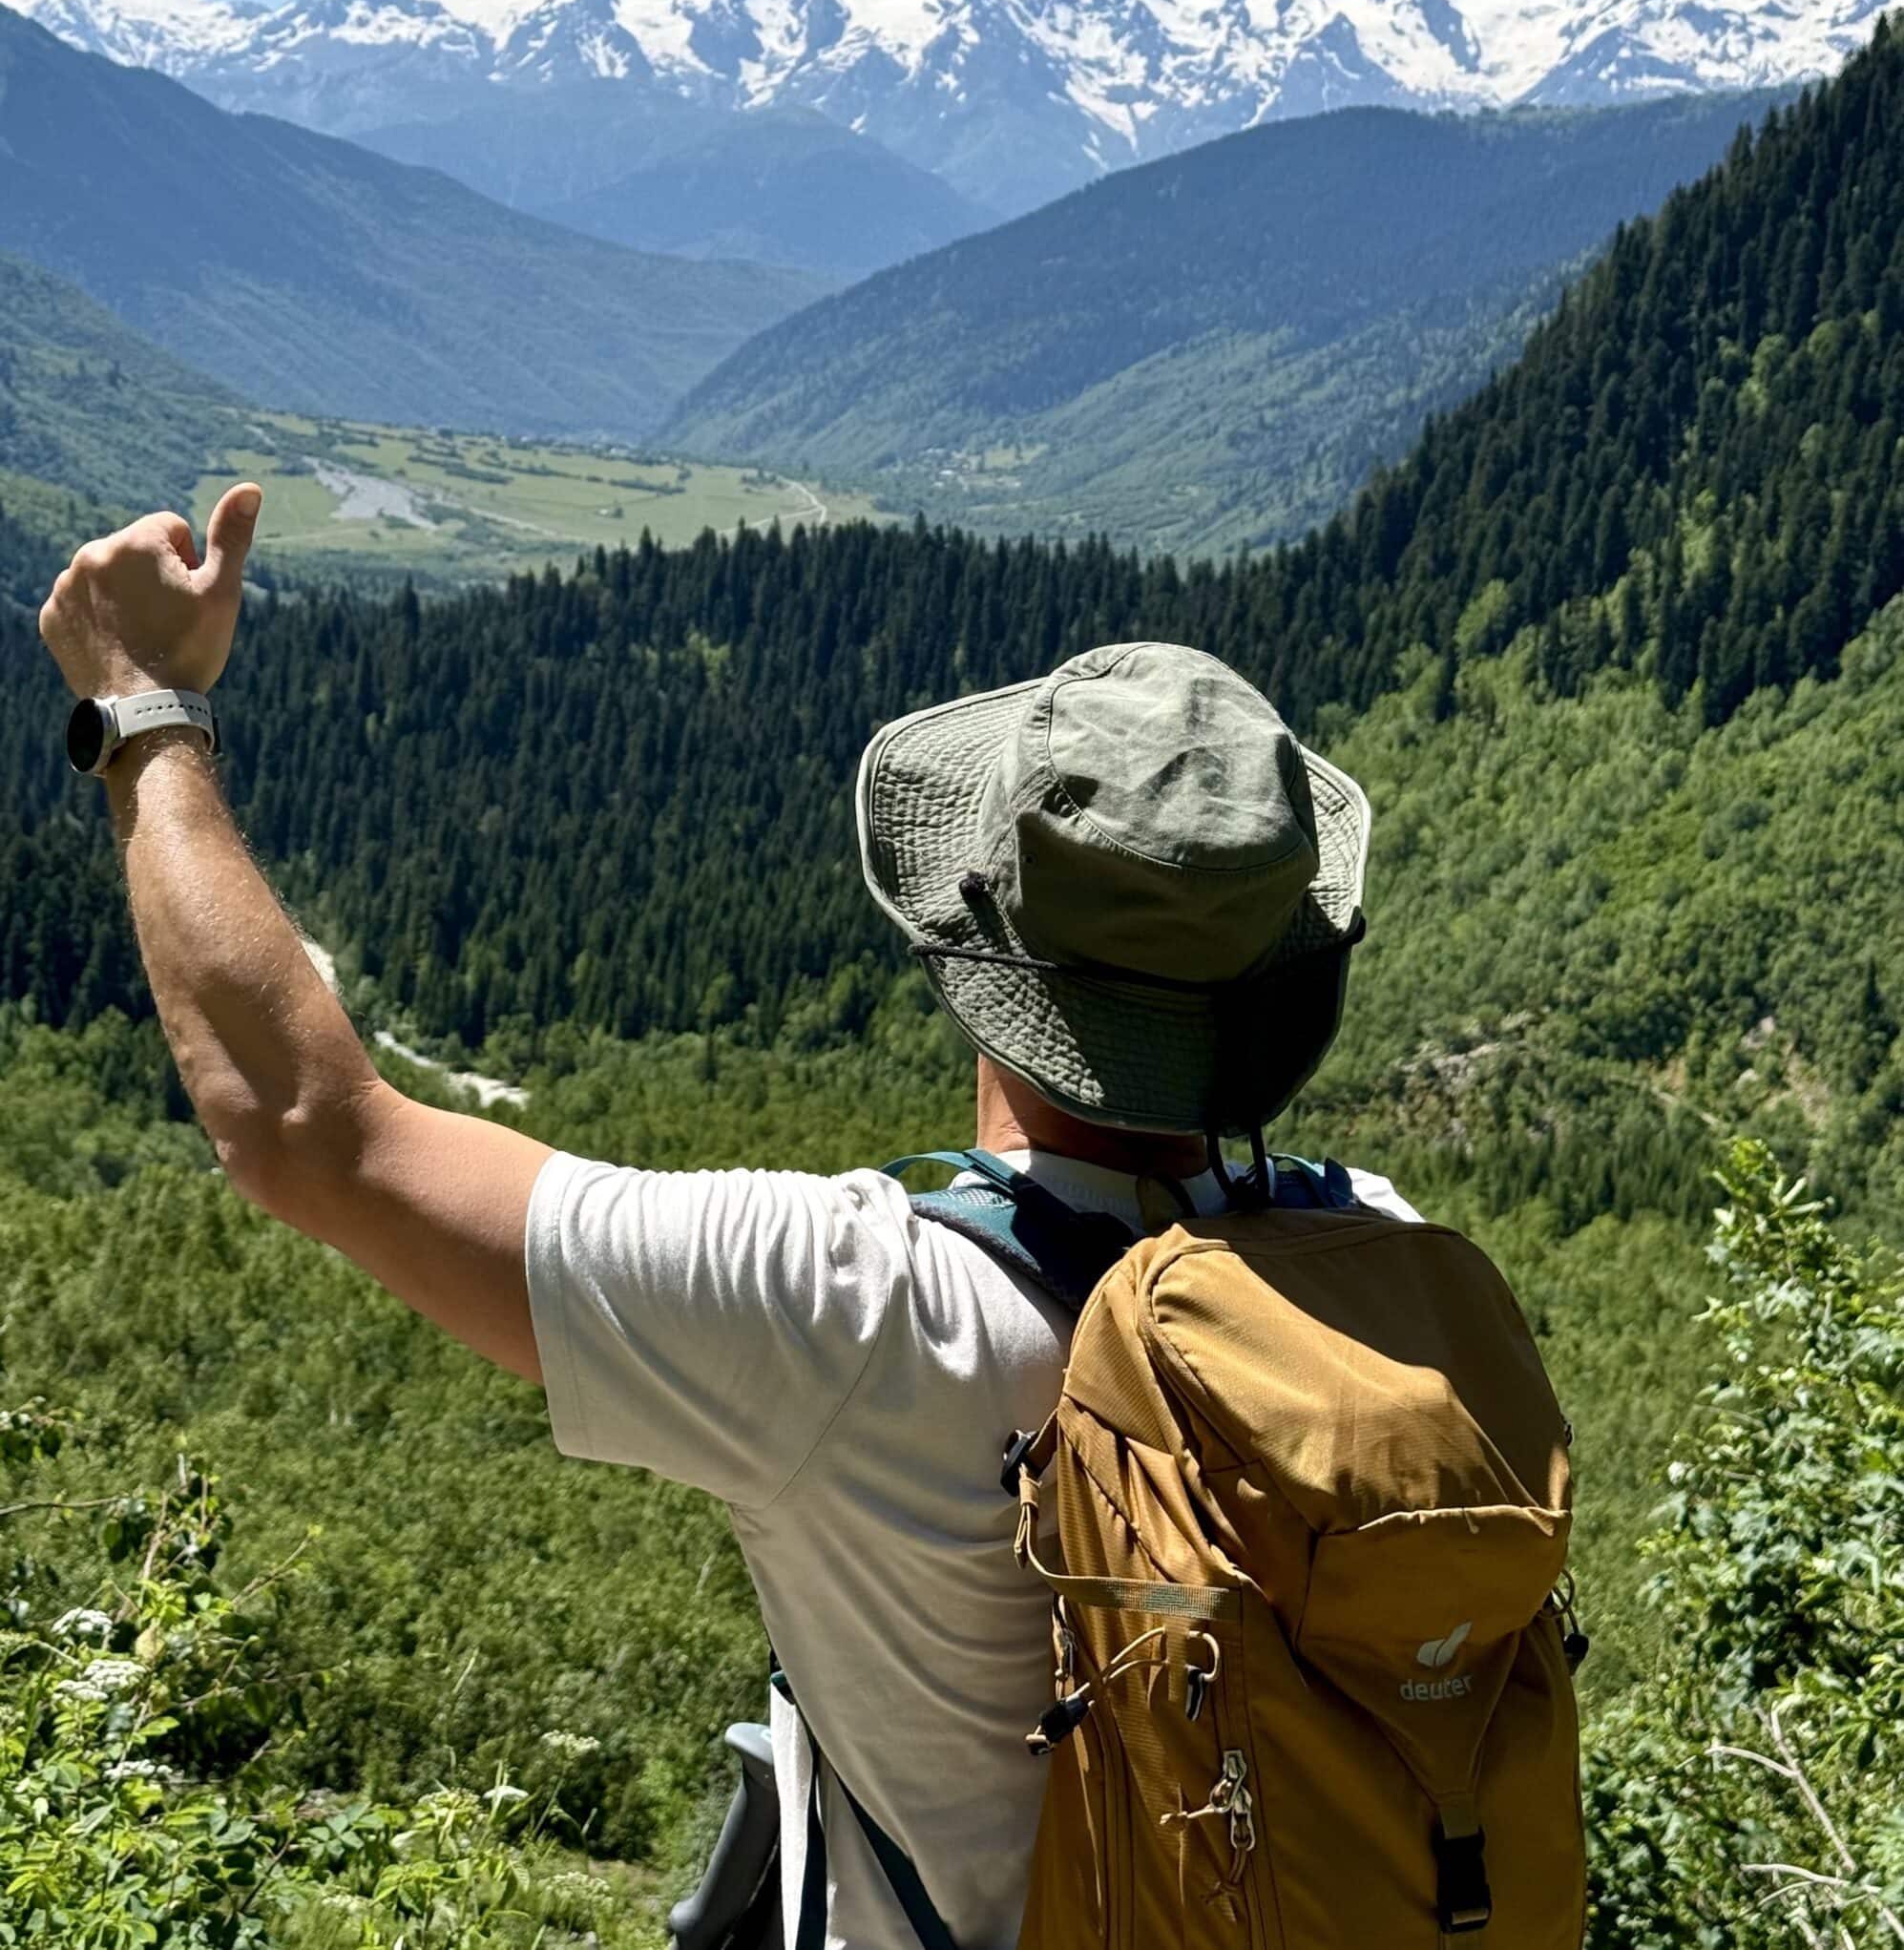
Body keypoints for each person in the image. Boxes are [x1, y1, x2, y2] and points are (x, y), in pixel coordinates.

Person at [37, 483, 1413, 1950]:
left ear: (977, 951)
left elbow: (312, 1129)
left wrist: (142, 707)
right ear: (1282, 987)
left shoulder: (854, 1311)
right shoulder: (1390, 1262)